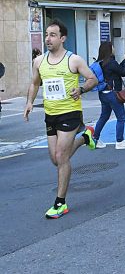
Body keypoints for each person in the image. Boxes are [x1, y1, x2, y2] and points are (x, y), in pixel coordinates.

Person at [23, 19, 98, 218]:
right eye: (47, 34)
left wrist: (81, 89)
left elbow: (93, 79)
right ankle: (85, 138)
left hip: (70, 113)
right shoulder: (39, 61)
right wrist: (29, 102)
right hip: (51, 115)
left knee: (62, 157)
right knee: (55, 159)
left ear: (63, 38)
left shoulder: (73, 60)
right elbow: (34, 83)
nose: (48, 39)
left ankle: (60, 203)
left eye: (53, 35)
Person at [92, 41, 125, 150]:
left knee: (104, 116)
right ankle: (120, 141)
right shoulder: (111, 62)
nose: (114, 48)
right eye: (113, 47)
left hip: (103, 94)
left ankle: (95, 139)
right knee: (121, 118)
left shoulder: (100, 62)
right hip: (113, 94)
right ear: (110, 49)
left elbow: (117, 71)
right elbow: (124, 72)